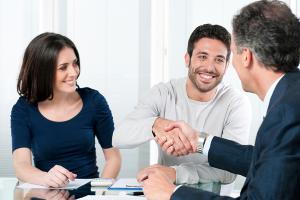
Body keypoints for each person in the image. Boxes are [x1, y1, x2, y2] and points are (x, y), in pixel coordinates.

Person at [140, 0, 300, 199]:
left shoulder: (286, 113)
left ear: (246, 57)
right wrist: (198, 140)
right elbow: (267, 160)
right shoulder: (291, 96)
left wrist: (173, 194)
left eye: (231, 53)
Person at [113, 24, 251, 185]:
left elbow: (229, 172)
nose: (209, 67)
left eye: (219, 59)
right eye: (202, 56)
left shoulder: (236, 103)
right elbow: (118, 137)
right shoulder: (164, 93)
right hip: (166, 194)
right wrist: (155, 125)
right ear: (187, 59)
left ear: (227, 66)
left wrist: (175, 172)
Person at [11, 32, 121, 188]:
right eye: (63, 67)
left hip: (90, 194)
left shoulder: (94, 101)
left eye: (75, 63)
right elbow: (21, 165)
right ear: (43, 72)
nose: (73, 72)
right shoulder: (23, 109)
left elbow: (113, 158)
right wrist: (45, 178)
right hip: (45, 193)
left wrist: (99, 192)